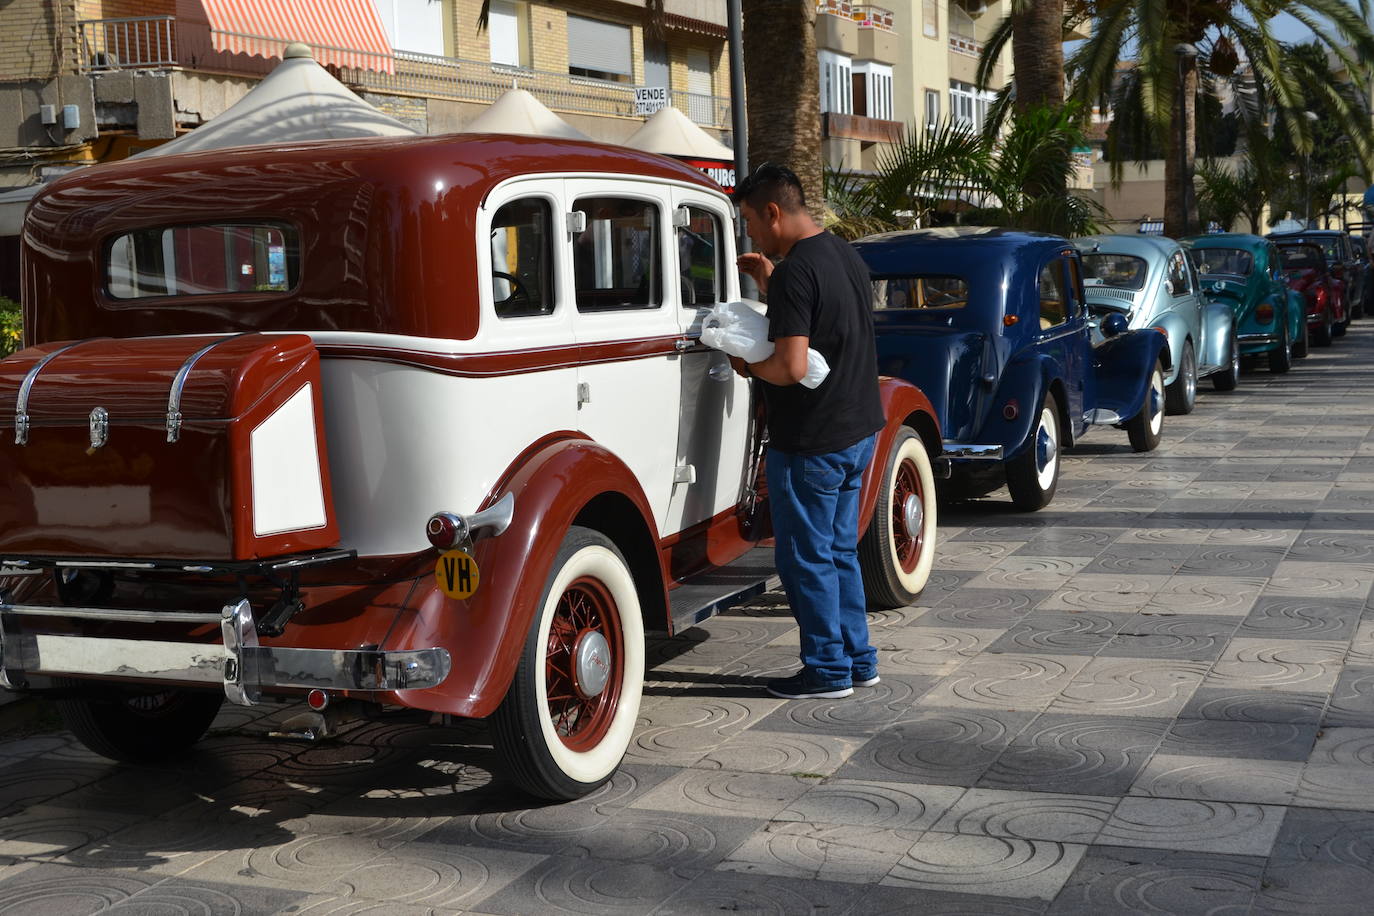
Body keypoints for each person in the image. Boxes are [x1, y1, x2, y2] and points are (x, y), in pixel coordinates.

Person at [730, 163, 886, 700]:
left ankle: (826, 669)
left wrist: (747, 365)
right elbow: (826, 326)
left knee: (806, 557)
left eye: (751, 220)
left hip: (812, 441)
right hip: (858, 428)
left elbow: (792, 366)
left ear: (774, 211)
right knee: (840, 550)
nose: (750, 232)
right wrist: (770, 283)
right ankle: (858, 659)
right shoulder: (843, 253)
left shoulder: (799, 271)